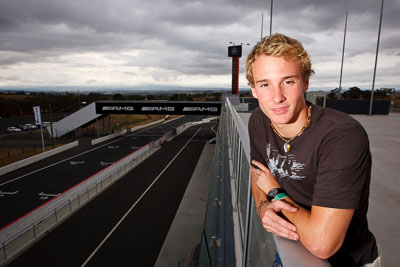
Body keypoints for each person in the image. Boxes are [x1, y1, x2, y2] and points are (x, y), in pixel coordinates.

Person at [246, 33, 381, 266]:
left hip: (349, 262)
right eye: (265, 84)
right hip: (293, 249)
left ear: (305, 82)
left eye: (288, 81)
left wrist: (275, 194)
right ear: (253, 89)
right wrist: (263, 207)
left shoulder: (342, 136)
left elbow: (323, 243)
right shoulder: (259, 120)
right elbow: (258, 176)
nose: (277, 97)